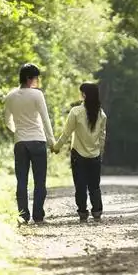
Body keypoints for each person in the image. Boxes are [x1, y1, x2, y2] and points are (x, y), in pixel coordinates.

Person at [4, 63, 56, 225]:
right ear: (29, 78)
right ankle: (38, 216)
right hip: (38, 141)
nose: (37, 81)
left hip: (20, 143)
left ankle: (23, 215)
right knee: (40, 181)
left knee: (22, 181)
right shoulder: (36, 95)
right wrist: (52, 141)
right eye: (36, 78)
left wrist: (17, 132)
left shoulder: (10, 96)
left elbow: (7, 121)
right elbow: (46, 119)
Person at [52, 82, 107, 222]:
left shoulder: (76, 112)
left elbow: (66, 133)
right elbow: (102, 137)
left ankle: (83, 212)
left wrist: (56, 147)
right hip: (95, 155)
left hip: (78, 155)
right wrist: (100, 153)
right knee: (94, 186)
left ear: (84, 94)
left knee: (80, 185)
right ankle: (97, 211)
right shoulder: (102, 114)